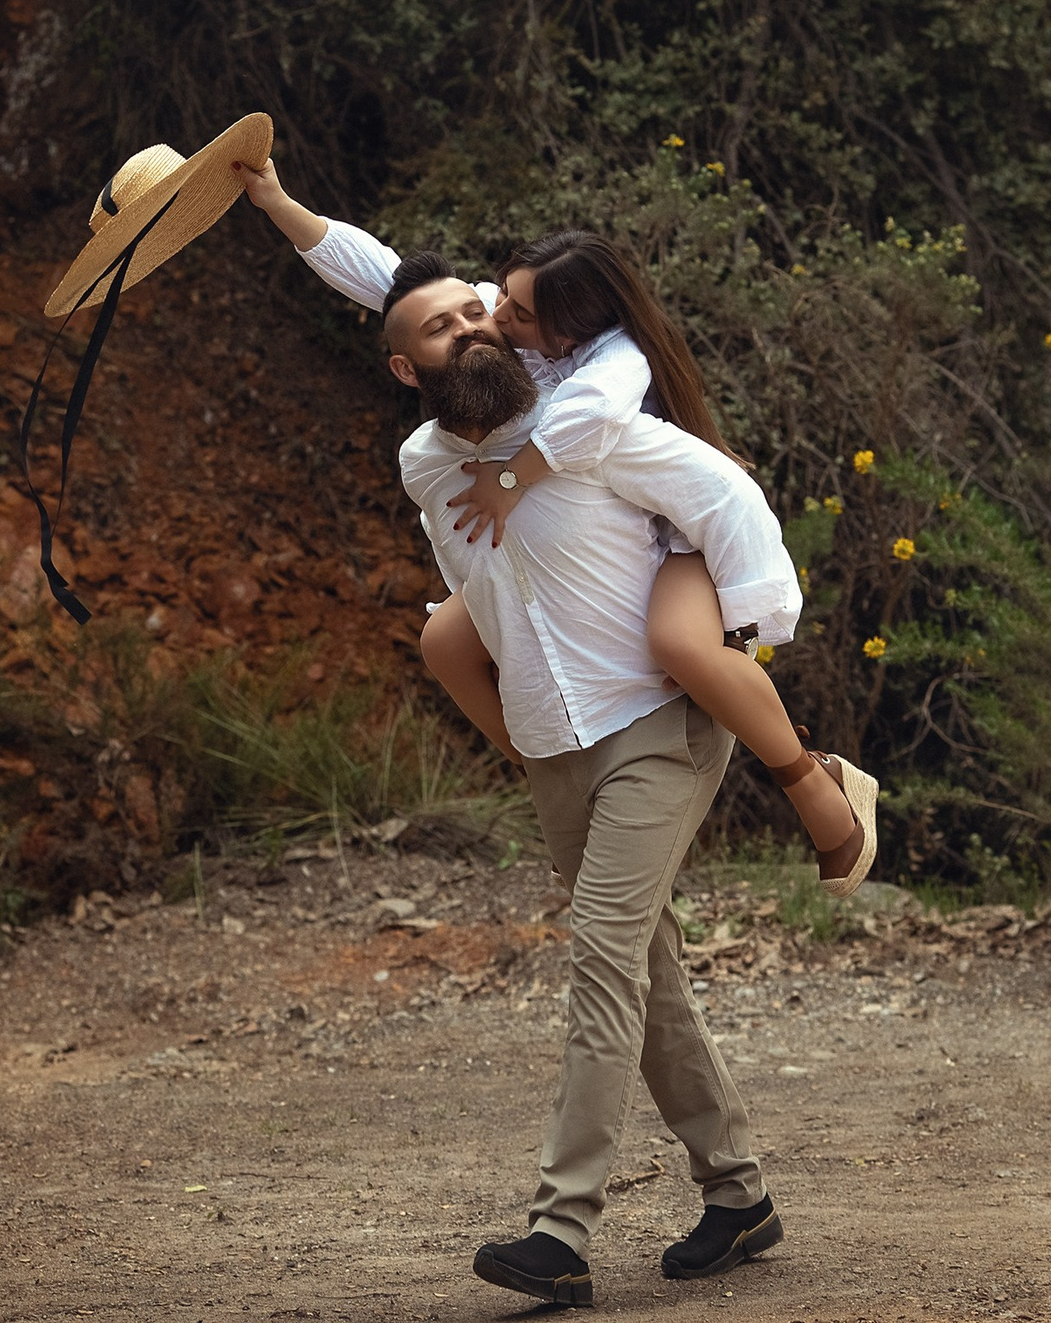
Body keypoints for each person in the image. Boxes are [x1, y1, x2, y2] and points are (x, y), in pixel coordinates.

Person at [236, 159, 876, 895]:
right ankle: (561, 787)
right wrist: (278, 201)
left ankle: (815, 785)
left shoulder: (605, 369)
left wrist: (511, 480)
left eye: (515, 314)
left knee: (678, 644)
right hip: (602, 526)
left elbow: (605, 428)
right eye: (498, 299)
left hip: (680, 532)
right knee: (445, 638)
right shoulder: (501, 323)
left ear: (571, 332)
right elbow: (383, 277)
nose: (495, 320)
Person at [371, 248, 789, 1305]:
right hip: (552, 744)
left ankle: (558, 1234)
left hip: (657, 723)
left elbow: (628, 388)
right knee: (646, 978)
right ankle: (738, 1197)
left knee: (602, 959)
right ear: (403, 369)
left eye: (478, 311)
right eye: (438, 327)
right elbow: (376, 273)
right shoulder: (425, 466)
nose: (469, 327)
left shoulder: (583, 422)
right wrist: (274, 203)